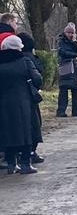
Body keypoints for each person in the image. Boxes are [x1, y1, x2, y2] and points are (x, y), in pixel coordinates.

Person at [0, 35, 43, 174]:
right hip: (23, 102)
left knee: (7, 132)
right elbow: (37, 79)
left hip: (3, 103)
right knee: (25, 132)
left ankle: (11, 163)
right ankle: (25, 163)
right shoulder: (24, 61)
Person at [18, 32, 45, 164]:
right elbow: (38, 77)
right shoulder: (29, 59)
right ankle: (31, 152)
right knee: (34, 123)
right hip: (29, 96)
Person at [56, 22, 77, 118]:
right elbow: (62, 52)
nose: (70, 35)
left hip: (75, 68)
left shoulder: (74, 41)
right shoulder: (61, 41)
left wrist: (74, 41)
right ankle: (61, 110)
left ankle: (76, 110)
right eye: (69, 33)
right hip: (65, 67)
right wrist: (73, 54)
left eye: (72, 33)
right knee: (63, 90)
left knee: (75, 90)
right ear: (65, 32)